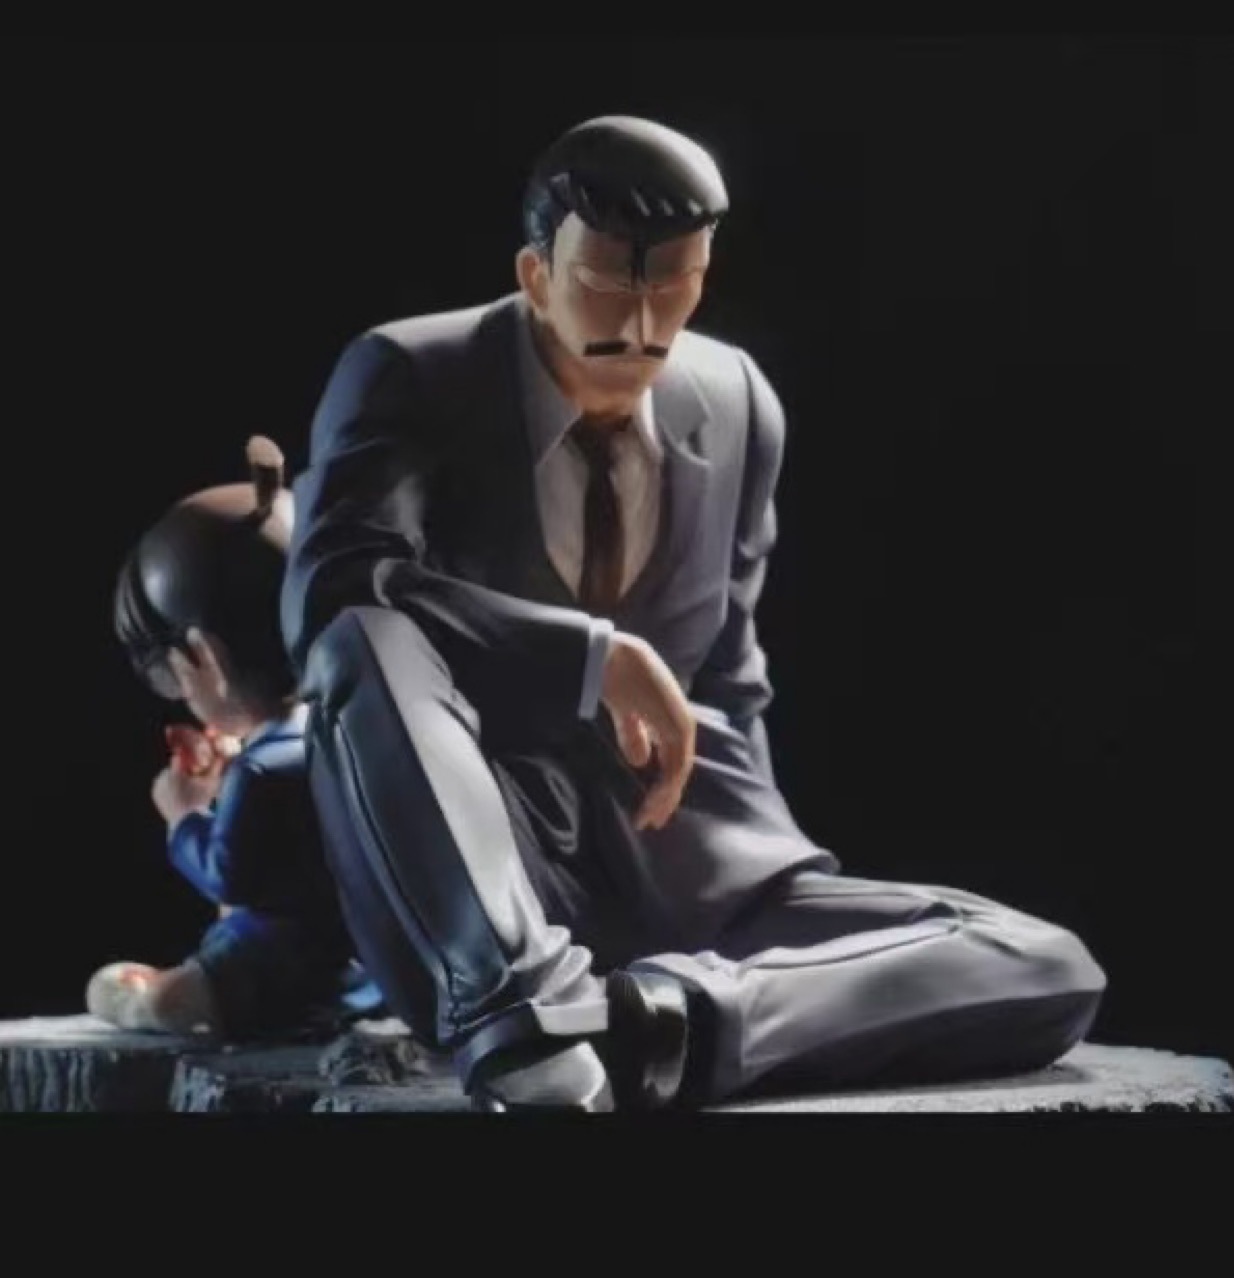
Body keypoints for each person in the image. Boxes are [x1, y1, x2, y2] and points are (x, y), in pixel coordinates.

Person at [282, 116, 1106, 1110]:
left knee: (1041, 961)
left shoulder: (737, 397)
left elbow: (731, 675)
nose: (640, 321)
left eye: (673, 283)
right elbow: (335, 589)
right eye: (604, 282)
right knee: (366, 637)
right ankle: (526, 1020)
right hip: (485, 862)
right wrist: (589, 657)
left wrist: (765, 877)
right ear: (536, 274)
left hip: (686, 860)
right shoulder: (413, 372)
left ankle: (660, 1026)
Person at [88, 436, 383, 1040]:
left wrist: (185, 814)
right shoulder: (349, 738)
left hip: (274, 962)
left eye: (181, 677)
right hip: (364, 963)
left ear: (206, 658)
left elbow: (231, 876)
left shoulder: (263, 770)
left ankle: (145, 999)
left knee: (152, 998)